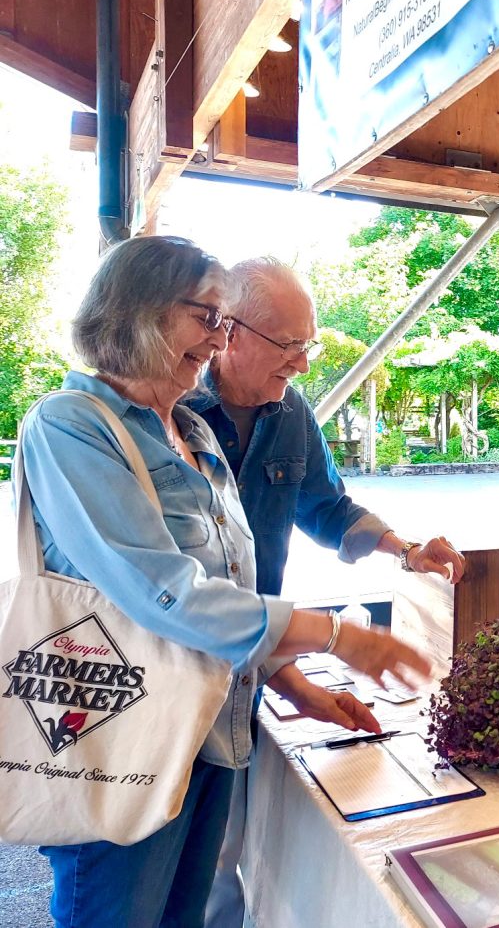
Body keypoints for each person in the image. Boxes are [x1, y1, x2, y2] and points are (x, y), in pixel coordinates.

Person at [19, 236, 431, 928]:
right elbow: (167, 589)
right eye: (205, 317)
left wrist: (292, 680)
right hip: (120, 735)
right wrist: (337, 636)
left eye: (221, 321)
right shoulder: (66, 425)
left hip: (212, 730)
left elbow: (232, 583)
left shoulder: (193, 435)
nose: (216, 337)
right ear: (138, 312)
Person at [182, 256, 466, 928]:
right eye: (290, 346)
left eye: (309, 344)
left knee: (222, 851)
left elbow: (326, 506)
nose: (303, 363)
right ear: (233, 332)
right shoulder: (178, 410)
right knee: (160, 855)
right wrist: (330, 647)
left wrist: (405, 550)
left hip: (253, 657)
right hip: (187, 654)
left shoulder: (290, 412)